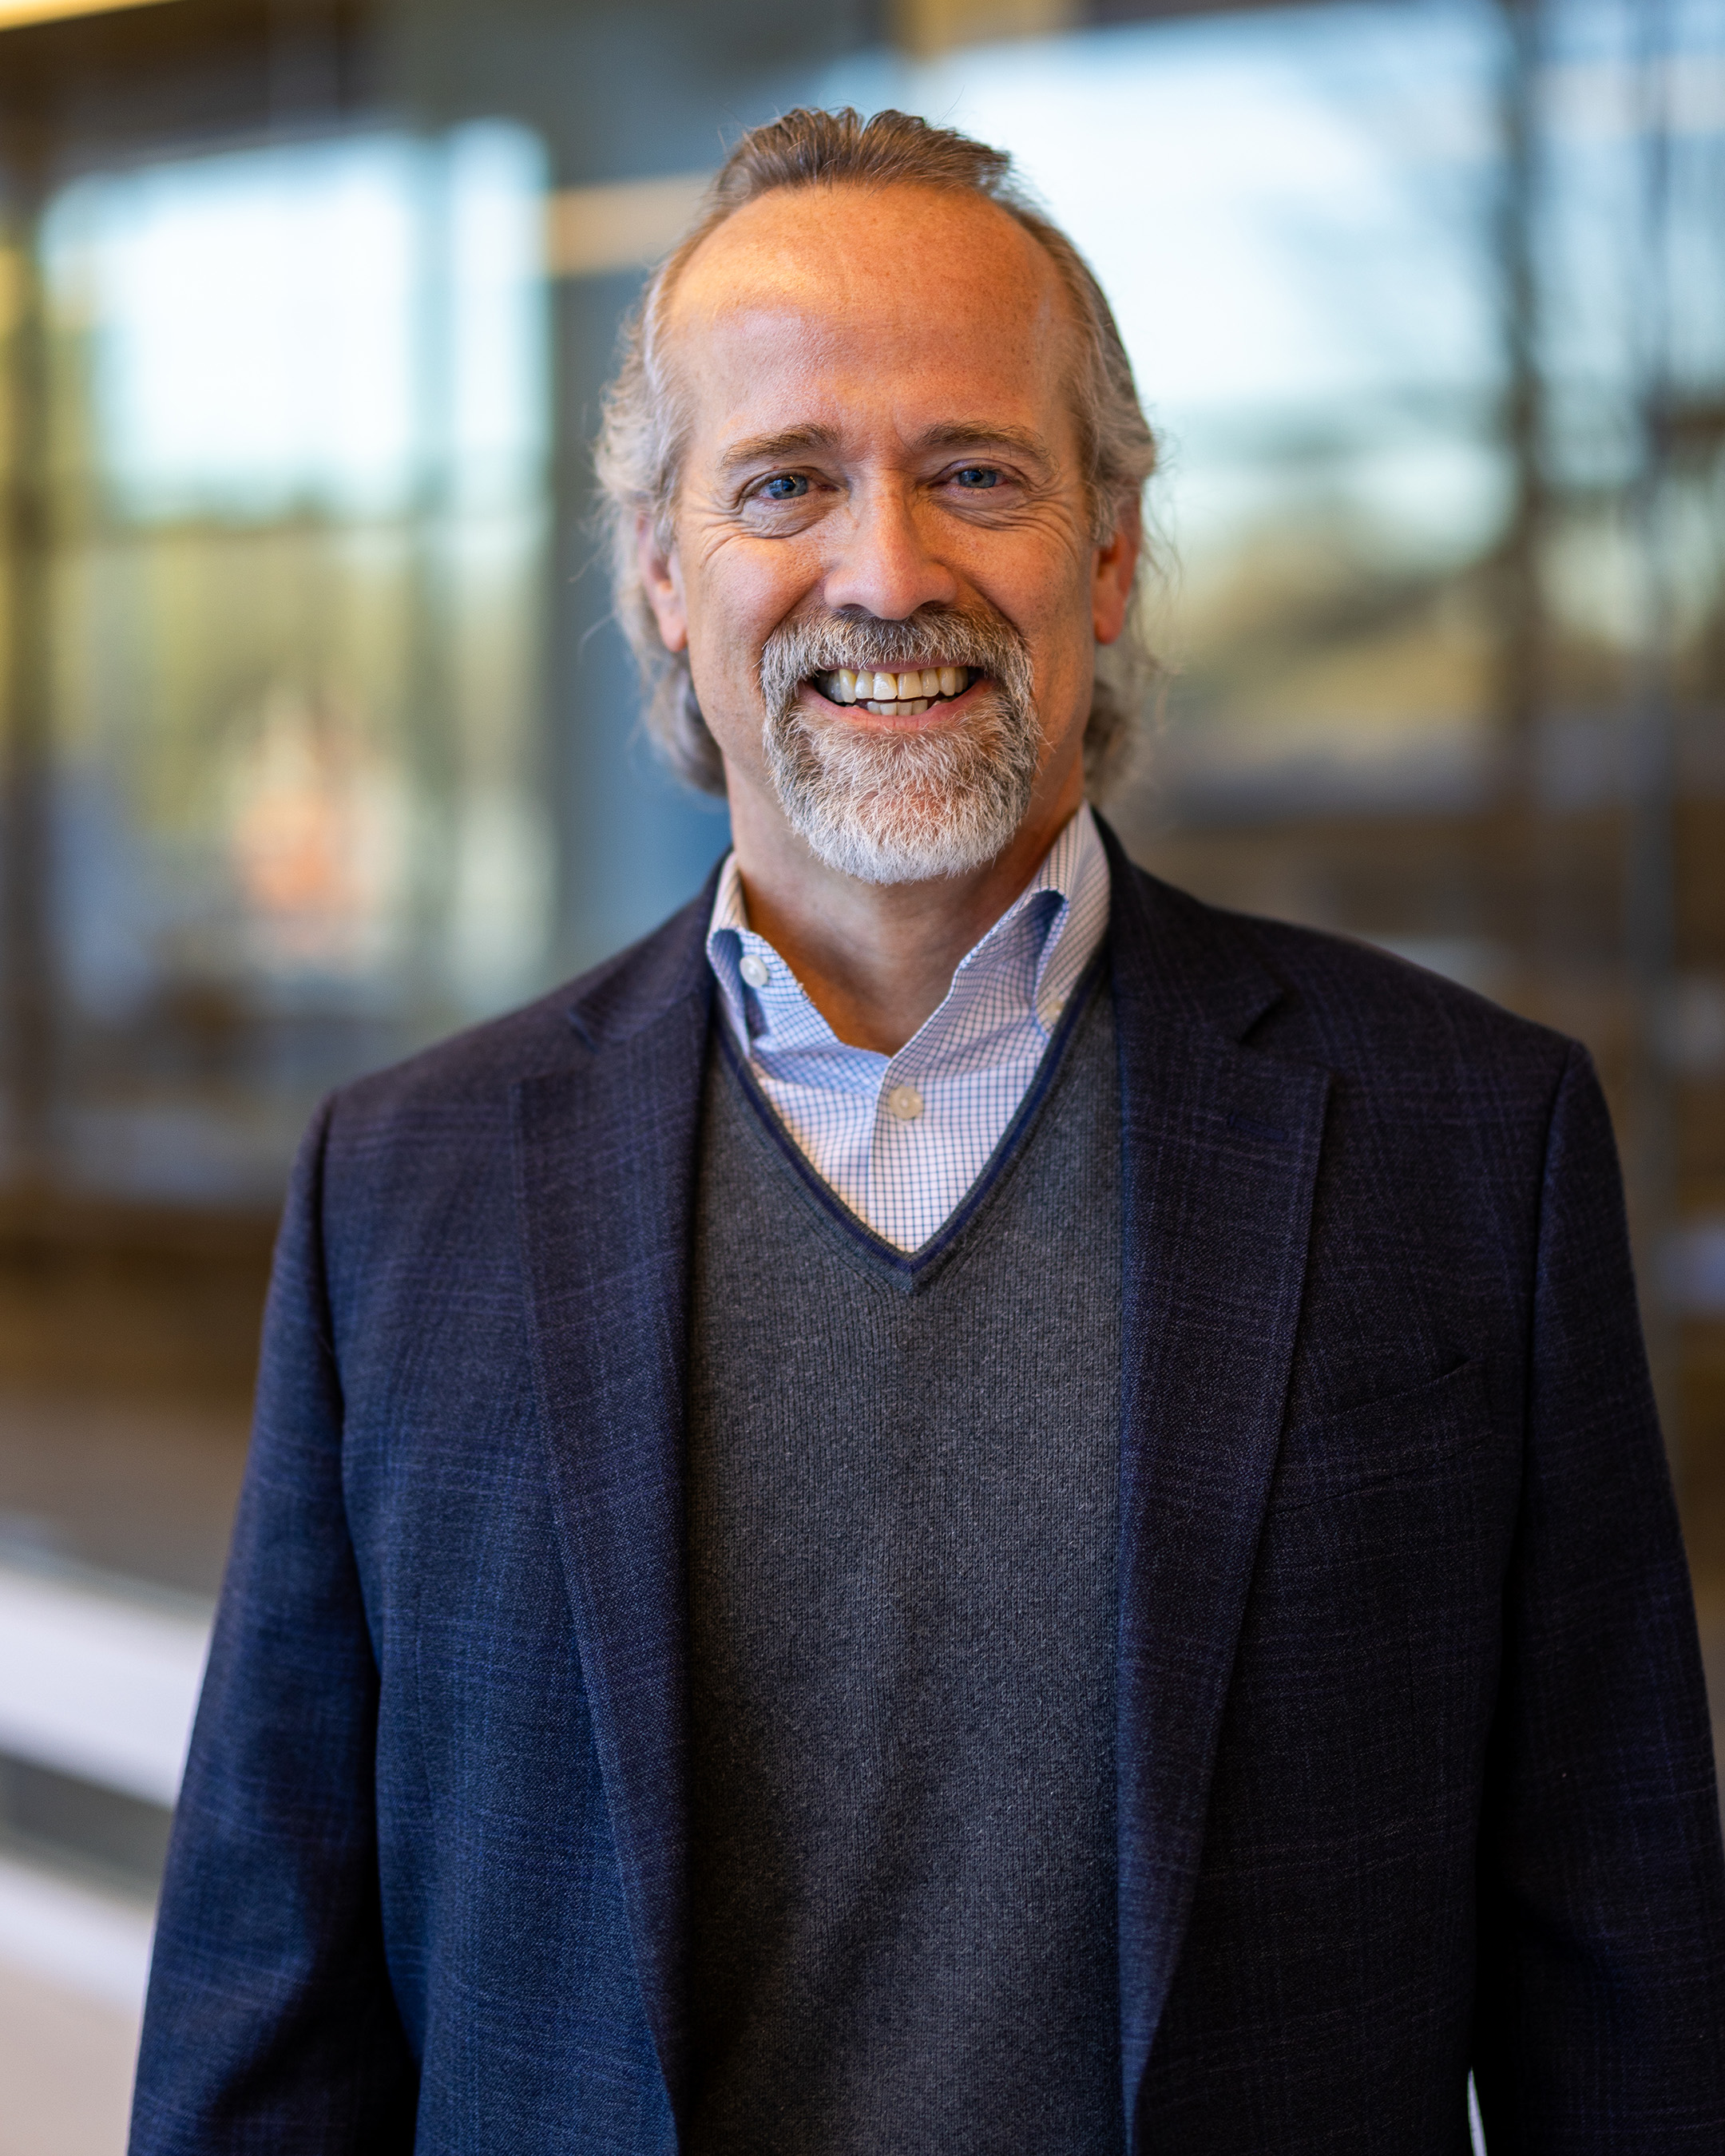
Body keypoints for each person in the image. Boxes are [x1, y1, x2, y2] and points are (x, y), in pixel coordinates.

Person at [130, 108, 1725, 2156]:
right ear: (661, 573)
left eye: (977, 474)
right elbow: (272, 2018)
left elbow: (1631, 2005)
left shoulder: (1465, 1149)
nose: (887, 572)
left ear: (1113, 548)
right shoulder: (404, 1194)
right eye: (786, 483)